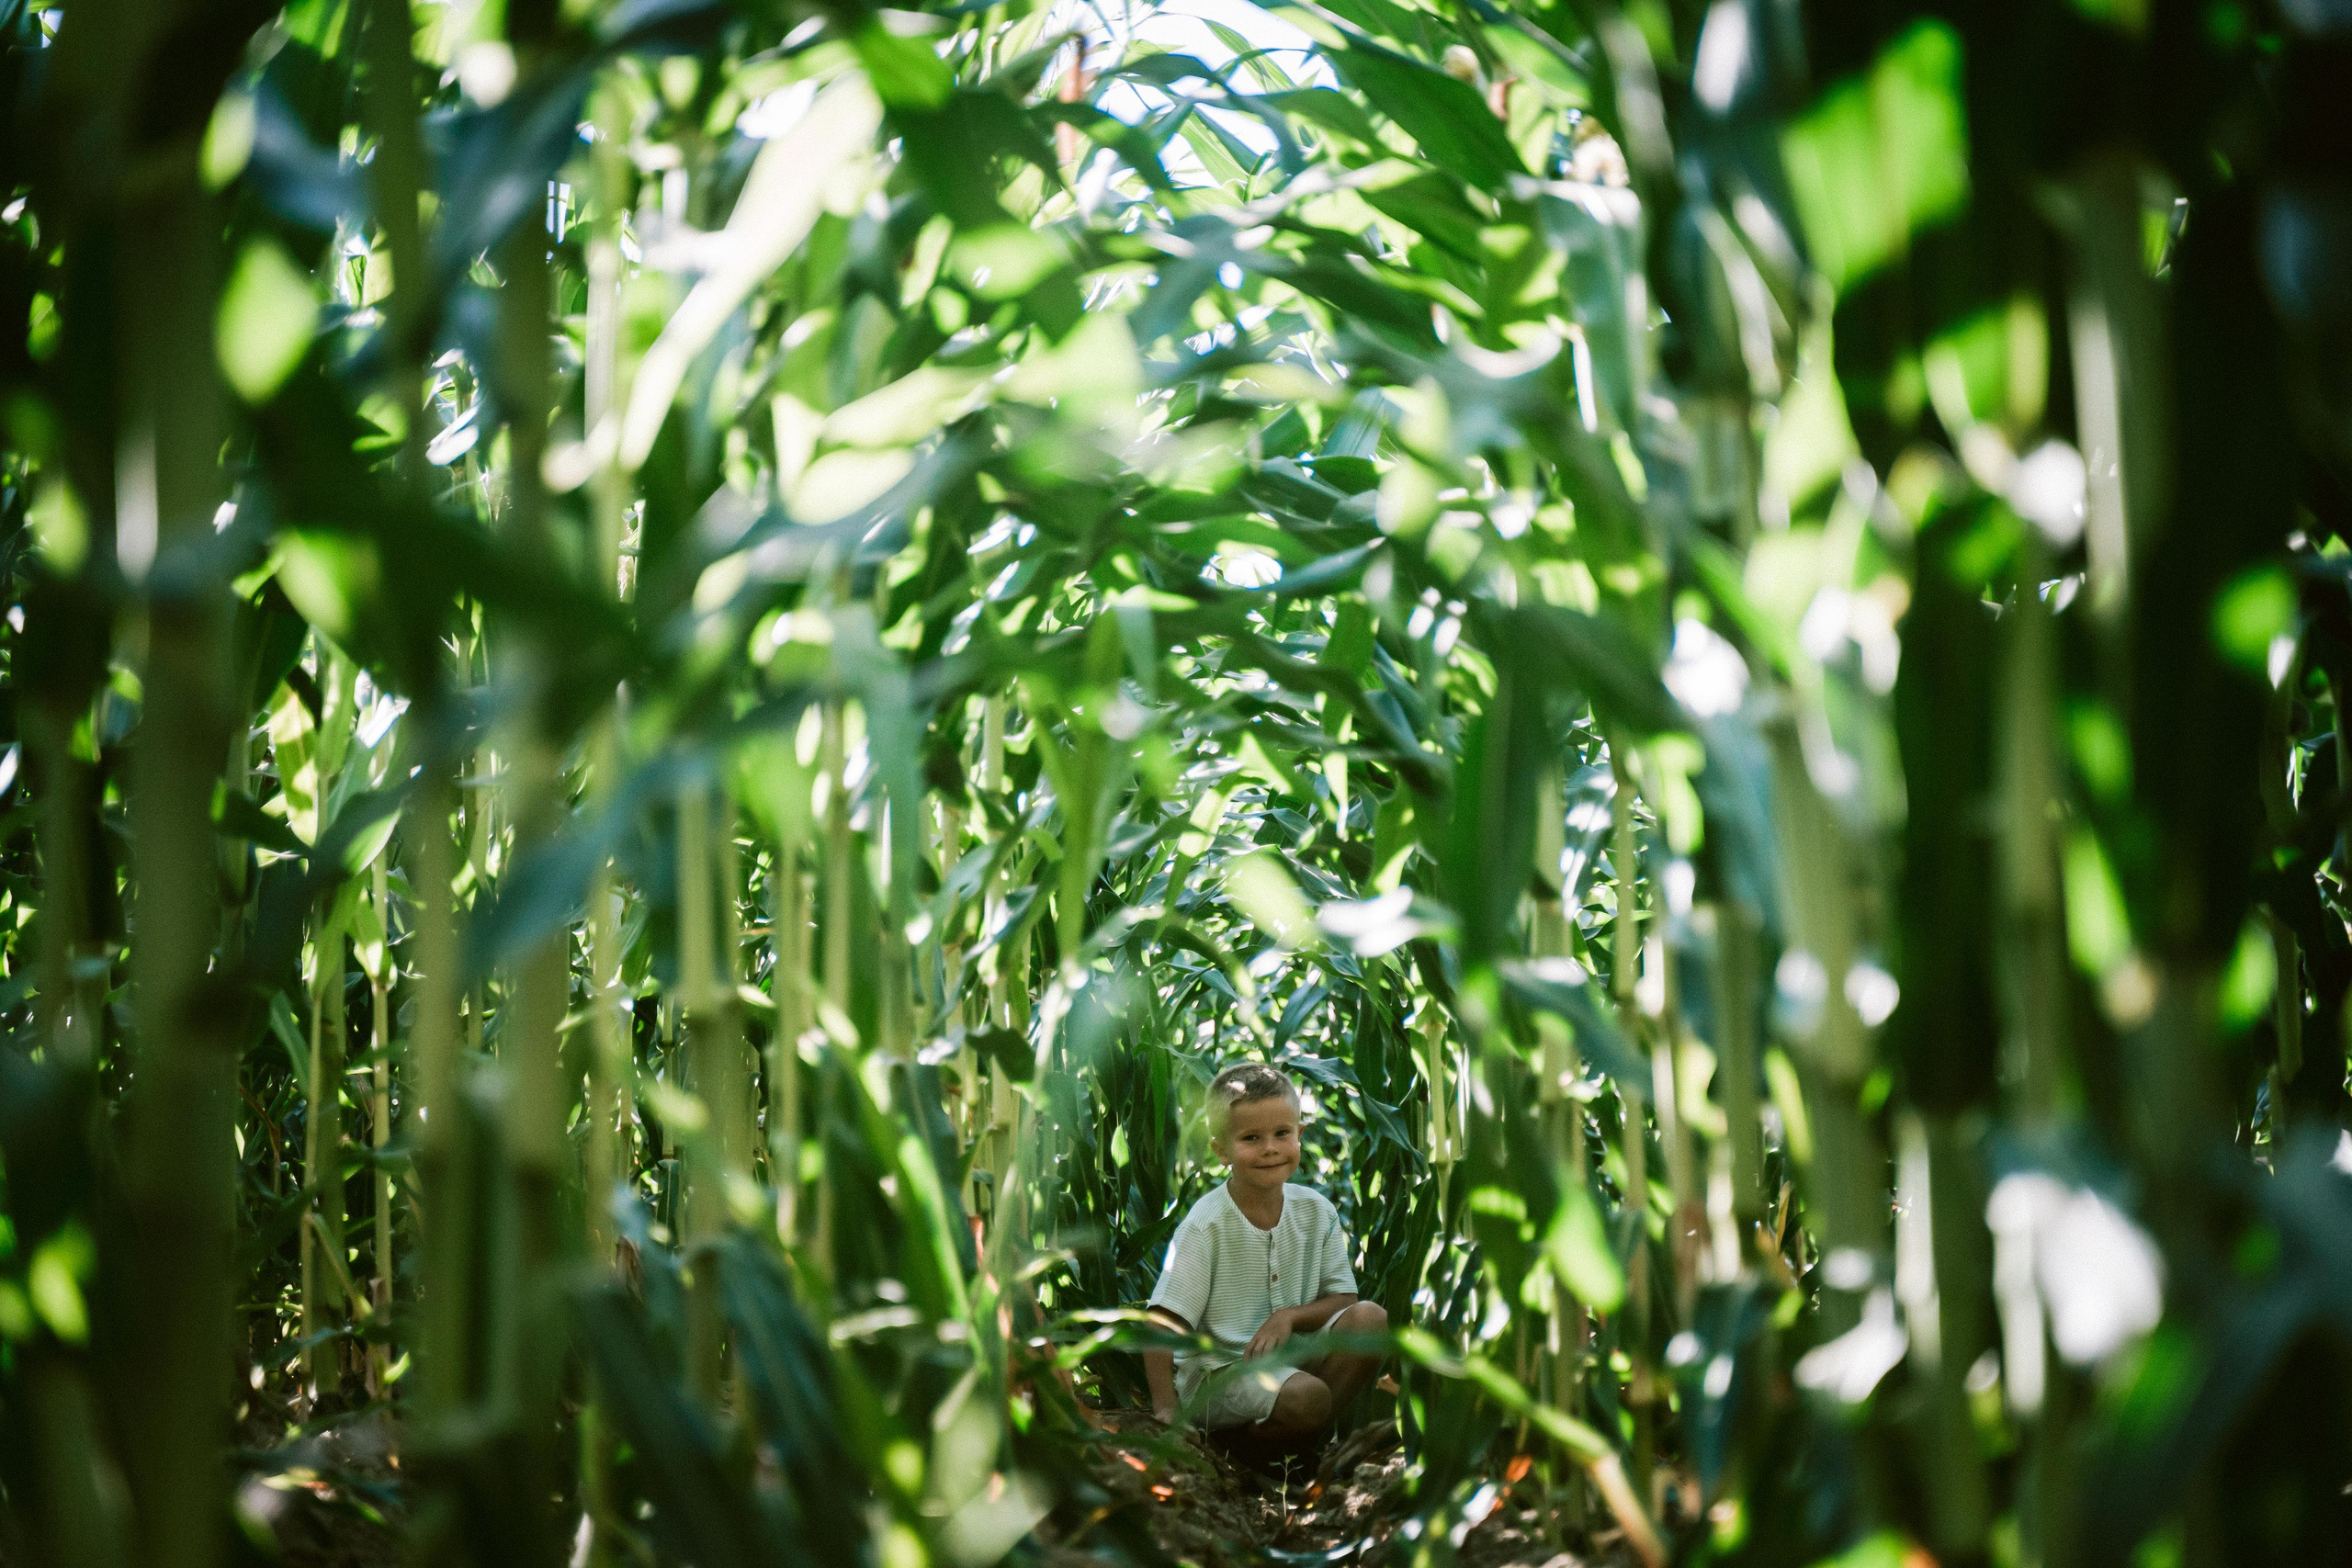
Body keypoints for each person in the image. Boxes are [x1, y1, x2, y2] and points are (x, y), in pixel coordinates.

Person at [1142, 1061, 1390, 1448]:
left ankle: (1299, 1448)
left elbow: (1345, 1299)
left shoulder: (1316, 1211)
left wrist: (1288, 1317)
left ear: (1299, 1135)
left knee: (1370, 1320)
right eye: (1251, 1138)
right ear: (1221, 1151)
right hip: (1221, 1373)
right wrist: (1166, 1408)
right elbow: (1163, 1321)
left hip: (1289, 1361)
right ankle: (1245, 1452)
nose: (1270, 1148)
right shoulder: (1207, 1224)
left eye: (1282, 1133)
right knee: (1308, 1396)